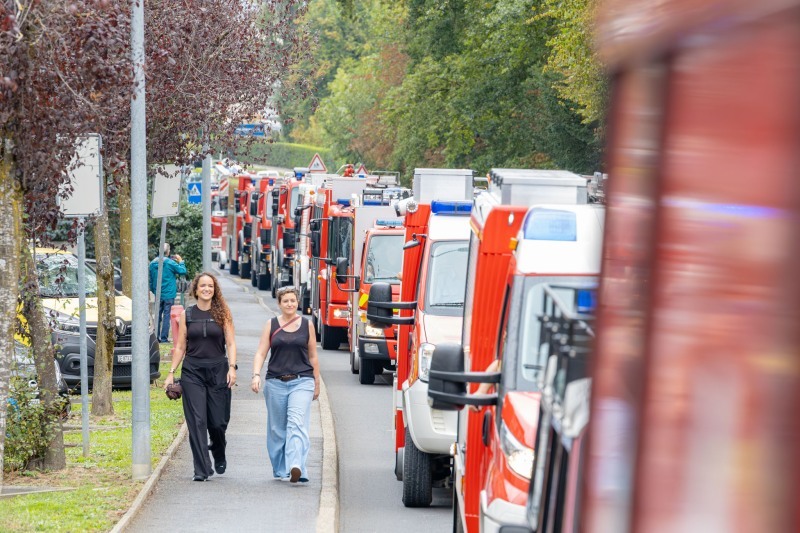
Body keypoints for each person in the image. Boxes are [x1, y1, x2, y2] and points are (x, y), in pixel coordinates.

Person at [165, 272, 237, 481]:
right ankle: (202, 469)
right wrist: (171, 373)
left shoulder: (223, 313)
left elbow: (231, 343)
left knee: (217, 422)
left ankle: (218, 450)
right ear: (195, 290)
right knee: (197, 421)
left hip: (218, 370)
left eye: (210, 286)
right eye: (203, 286)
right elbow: (180, 346)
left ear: (215, 290)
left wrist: (232, 367)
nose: (207, 289)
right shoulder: (187, 315)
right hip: (192, 372)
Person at [251, 286, 320, 483]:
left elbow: (313, 356)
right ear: (279, 304)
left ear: (298, 302)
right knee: (277, 430)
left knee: (297, 423)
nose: (290, 304)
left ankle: (296, 465)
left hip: (302, 381)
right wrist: (256, 375)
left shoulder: (307, 325)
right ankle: (281, 469)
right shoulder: (271, 325)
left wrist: (316, 383)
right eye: (286, 301)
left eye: (293, 300)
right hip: (275, 382)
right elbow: (261, 353)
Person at [149, 243, 187, 343]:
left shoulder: (152, 263)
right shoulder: (170, 263)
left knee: (157, 316)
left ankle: (156, 337)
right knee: (167, 316)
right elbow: (183, 271)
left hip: (158, 294)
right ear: (168, 252)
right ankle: (164, 338)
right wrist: (181, 261)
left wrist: (155, 291)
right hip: (169, 294)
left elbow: (151, 281)